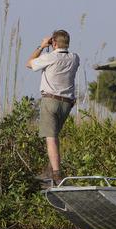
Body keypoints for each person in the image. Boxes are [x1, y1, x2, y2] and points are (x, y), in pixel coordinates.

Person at [26, 29, 80, 185]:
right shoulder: (75, 58)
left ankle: (56, 176)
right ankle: (49, 171)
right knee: (55, 136)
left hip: (51, 101)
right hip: (67, 103)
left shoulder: (49, 57)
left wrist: (42, 46)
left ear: (54, 43)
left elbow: (29, 63)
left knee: (51, 139)